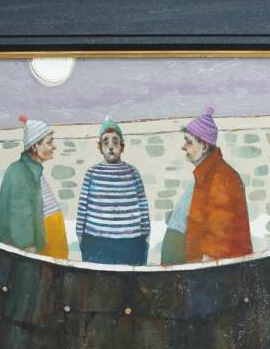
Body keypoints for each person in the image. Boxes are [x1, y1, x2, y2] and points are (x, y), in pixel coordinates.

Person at [161, 106, 252, 264]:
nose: (183, 147)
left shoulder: (222, 178)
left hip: (207, 269)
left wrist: (206, 261)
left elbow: (221, 229)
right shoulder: (204, 175)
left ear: (203, 146)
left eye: (189, 142)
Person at [75, 115, 150, 265]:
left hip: (130, 242)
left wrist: (146, 235)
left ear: (122, 146)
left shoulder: (132, 172)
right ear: (100, 147)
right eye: (105, 142)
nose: (110, 146)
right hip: (96, 241)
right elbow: (83, 206)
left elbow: (143, 204)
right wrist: (79, 234)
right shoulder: (92, 173)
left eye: (115, 141)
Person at [0, 115, 68, 259]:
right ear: (34, 146)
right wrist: (28, 250)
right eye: (49, 142)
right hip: (41, 254)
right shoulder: (20, 172)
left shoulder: (33, 170)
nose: (54, 146)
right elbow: (20, 214)